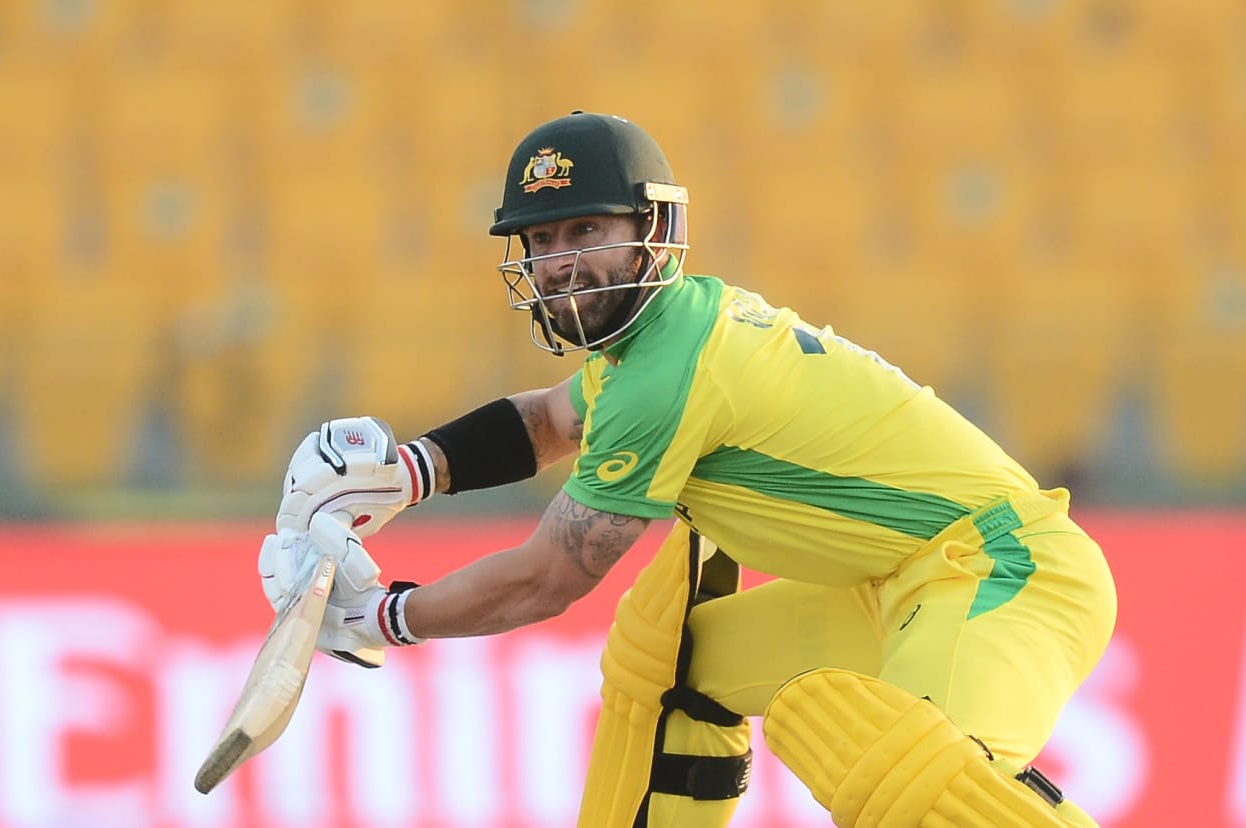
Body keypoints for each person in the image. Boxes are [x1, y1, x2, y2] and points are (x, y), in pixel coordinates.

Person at [258, 112, 1117, 827]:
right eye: (544, 239)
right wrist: (406, 469)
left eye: (587, 230)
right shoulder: (645, 341)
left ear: (652, 232)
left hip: (1006, 573)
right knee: (676, 673)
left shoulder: (666, 371)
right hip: (896, 583)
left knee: (908, 786)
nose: (561, 263)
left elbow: (545, 582)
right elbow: (552, 419)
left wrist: (384, 616)